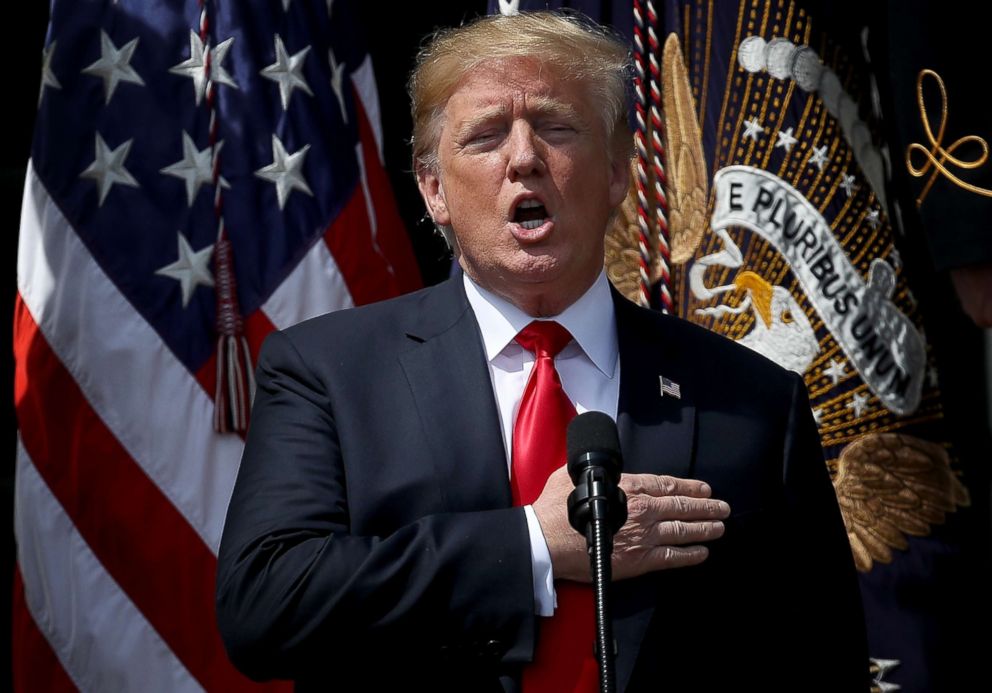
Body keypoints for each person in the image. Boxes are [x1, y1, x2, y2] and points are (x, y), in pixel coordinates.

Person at [216, 11, 869, 691]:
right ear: (434, 189)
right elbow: (263, 605)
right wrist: (530, 545)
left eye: (557, 127)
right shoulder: (327, 372)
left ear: (617, 171)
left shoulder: (753, 402)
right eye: (486, 135)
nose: (524, 157)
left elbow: (822, 662)